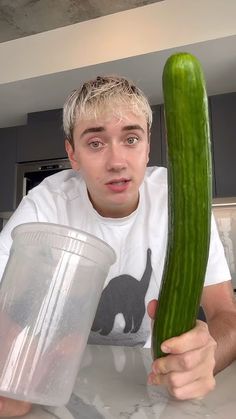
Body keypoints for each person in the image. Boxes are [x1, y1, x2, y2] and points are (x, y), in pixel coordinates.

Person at [0, 75, 236, 416]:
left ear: (148, 144)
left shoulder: (179, 199)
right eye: (95, 143)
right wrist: (12, 357)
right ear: (73, 154)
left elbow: (225, 313)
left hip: (146, 378)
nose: (117, 161)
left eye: (131, 138)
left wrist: (205, 358)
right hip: (56, 375)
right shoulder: (46, 202)